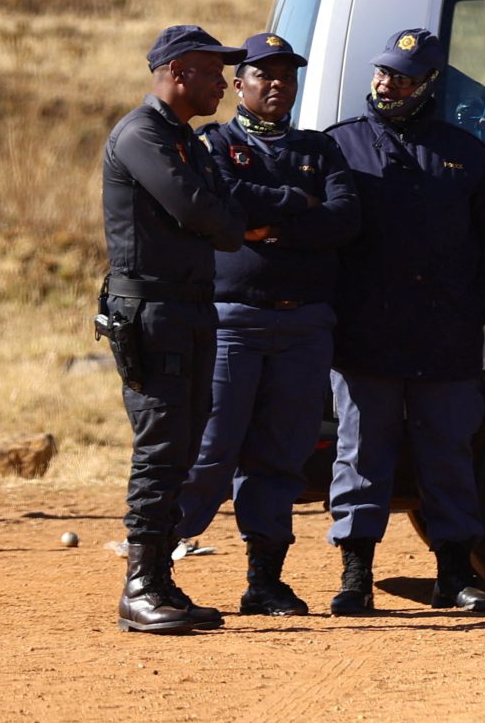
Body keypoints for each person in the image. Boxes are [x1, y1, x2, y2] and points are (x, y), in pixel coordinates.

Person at [99, 24, 305, 634]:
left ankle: (160, 580)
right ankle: (138, 586)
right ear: (180, 71)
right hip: (154, 311)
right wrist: (229, 225)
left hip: (188, 308)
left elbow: (220, 208)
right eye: (216, 73)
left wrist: (227, 222)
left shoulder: (180, 139)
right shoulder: (142, 135)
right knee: (162, 447)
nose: (224, 83)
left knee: (184, 445)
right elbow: (201, 211)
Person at [325, 27, 485, 616]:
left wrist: (483, 303)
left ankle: (454, 578)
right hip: (365, 341)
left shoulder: (465, 153)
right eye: (384, 74)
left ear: (429, 85)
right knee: (360, 458)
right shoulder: (340, 147)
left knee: (449, 458)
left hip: (445, 339)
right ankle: (356, 578)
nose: (388, 85)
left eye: (403, 78)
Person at [174, 32, 362, 616]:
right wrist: (298, 203)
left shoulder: (320, 150)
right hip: (234, 321)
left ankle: (265, 581)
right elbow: (225, 200)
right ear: (240, 84)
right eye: (264, 74)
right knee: (210, 450)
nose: (278, 83)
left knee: (281, 457)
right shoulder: (214, 142)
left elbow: (344, 219)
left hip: (304, 324)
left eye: (287, 74)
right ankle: (153, 569)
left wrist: (272, 224)